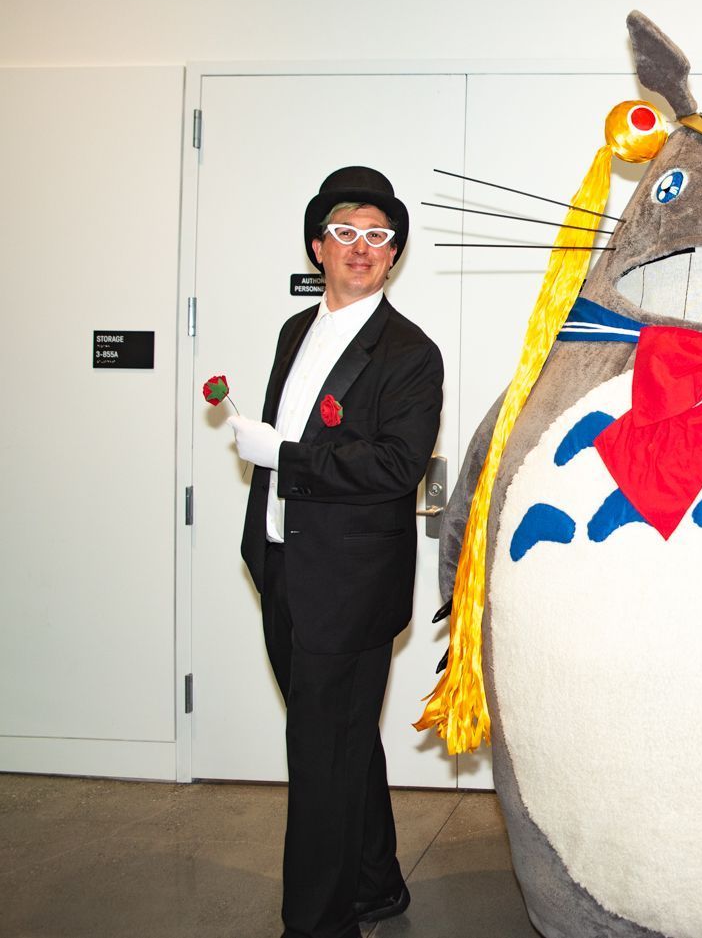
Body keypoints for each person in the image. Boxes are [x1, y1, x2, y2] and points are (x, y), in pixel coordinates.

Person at [228, 166, 443, 938]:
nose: (362, 247)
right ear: (318, 245)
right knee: (341, 740)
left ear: (394, 255)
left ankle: (317, 923)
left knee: (320, 758)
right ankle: (375, 880)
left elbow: (394, 466)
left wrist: (283, 455)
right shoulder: (297, 330)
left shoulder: (410, 352)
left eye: (378, 236)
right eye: (346, 232)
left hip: (350, 586)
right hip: (283, 563)